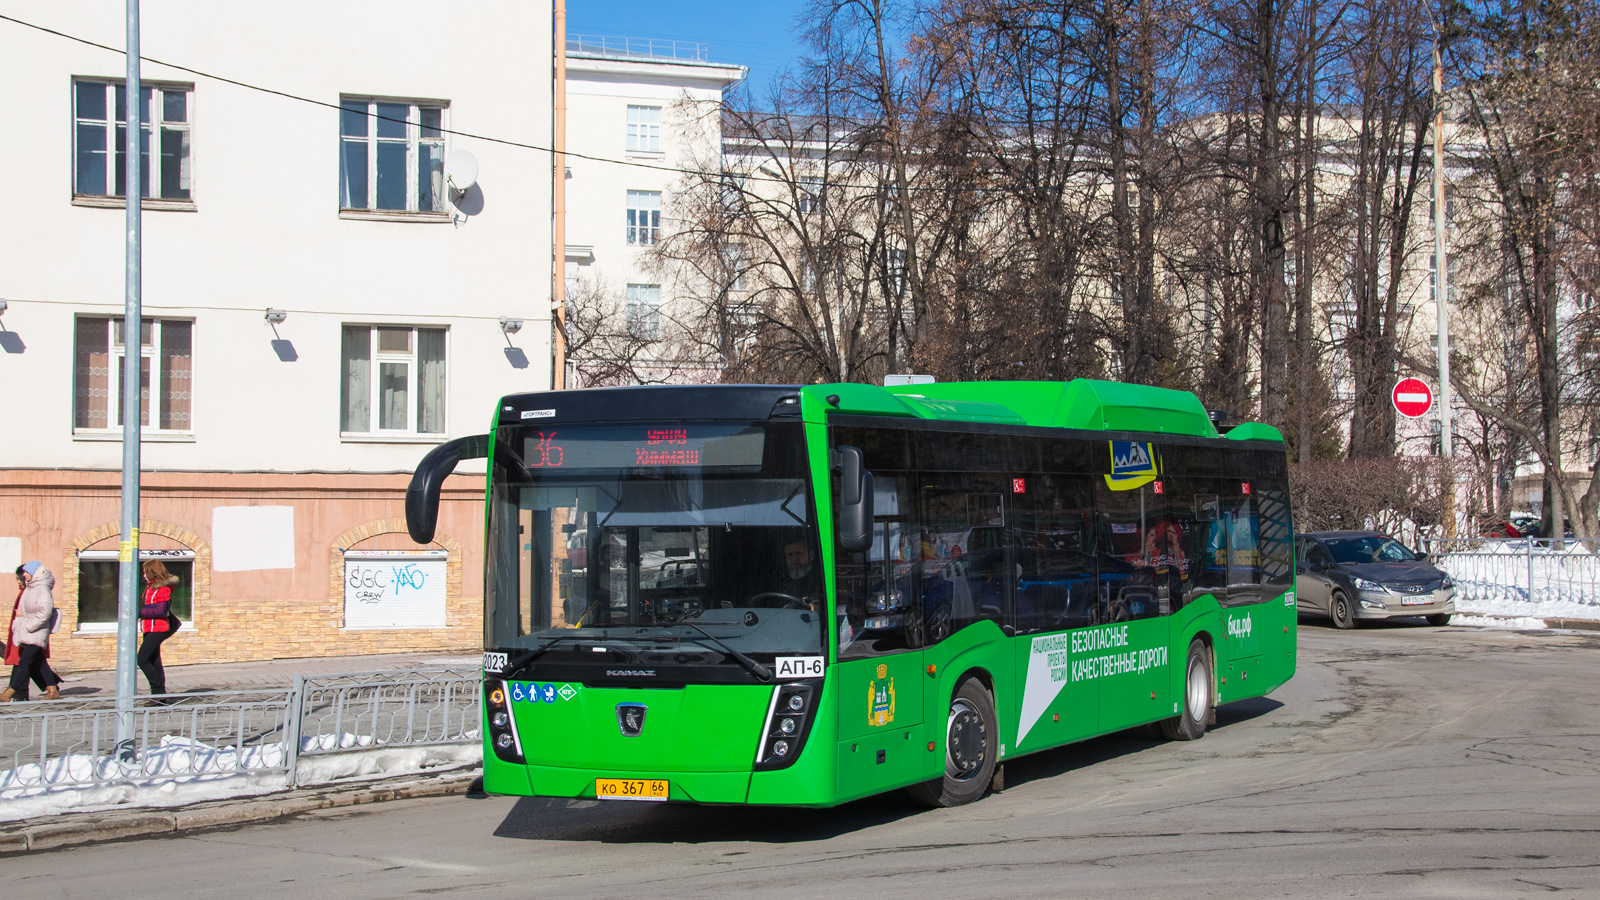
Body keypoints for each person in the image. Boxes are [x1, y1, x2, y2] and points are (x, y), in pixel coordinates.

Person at [3, 561, 63, 702]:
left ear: (34, 573)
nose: (24, 575)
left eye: (26, 572)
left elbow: (45, 613)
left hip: (36, 631)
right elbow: (26, 610)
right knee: (39, 661)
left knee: (24, 661)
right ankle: (52, 690)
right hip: (28, 630)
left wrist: (28, 625)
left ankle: (9, 693)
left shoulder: (42, 589)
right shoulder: (31, 589)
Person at [138, 559, 182, 699]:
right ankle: (159, 695)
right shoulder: (150, 588)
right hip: (149, 627)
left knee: (142, 659)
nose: (144, 575)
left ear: (152, 572)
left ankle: (157, 691)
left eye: (145, 572)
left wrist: (137, 612)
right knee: (154, 660)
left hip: (159, 627)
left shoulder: (162, 588)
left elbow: (161, 610)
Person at [777, 538, 821, 609]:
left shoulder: (820, 578)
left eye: (798, 553)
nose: (794, 558)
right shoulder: (778, 578)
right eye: (790, 554)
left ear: (811, 555)